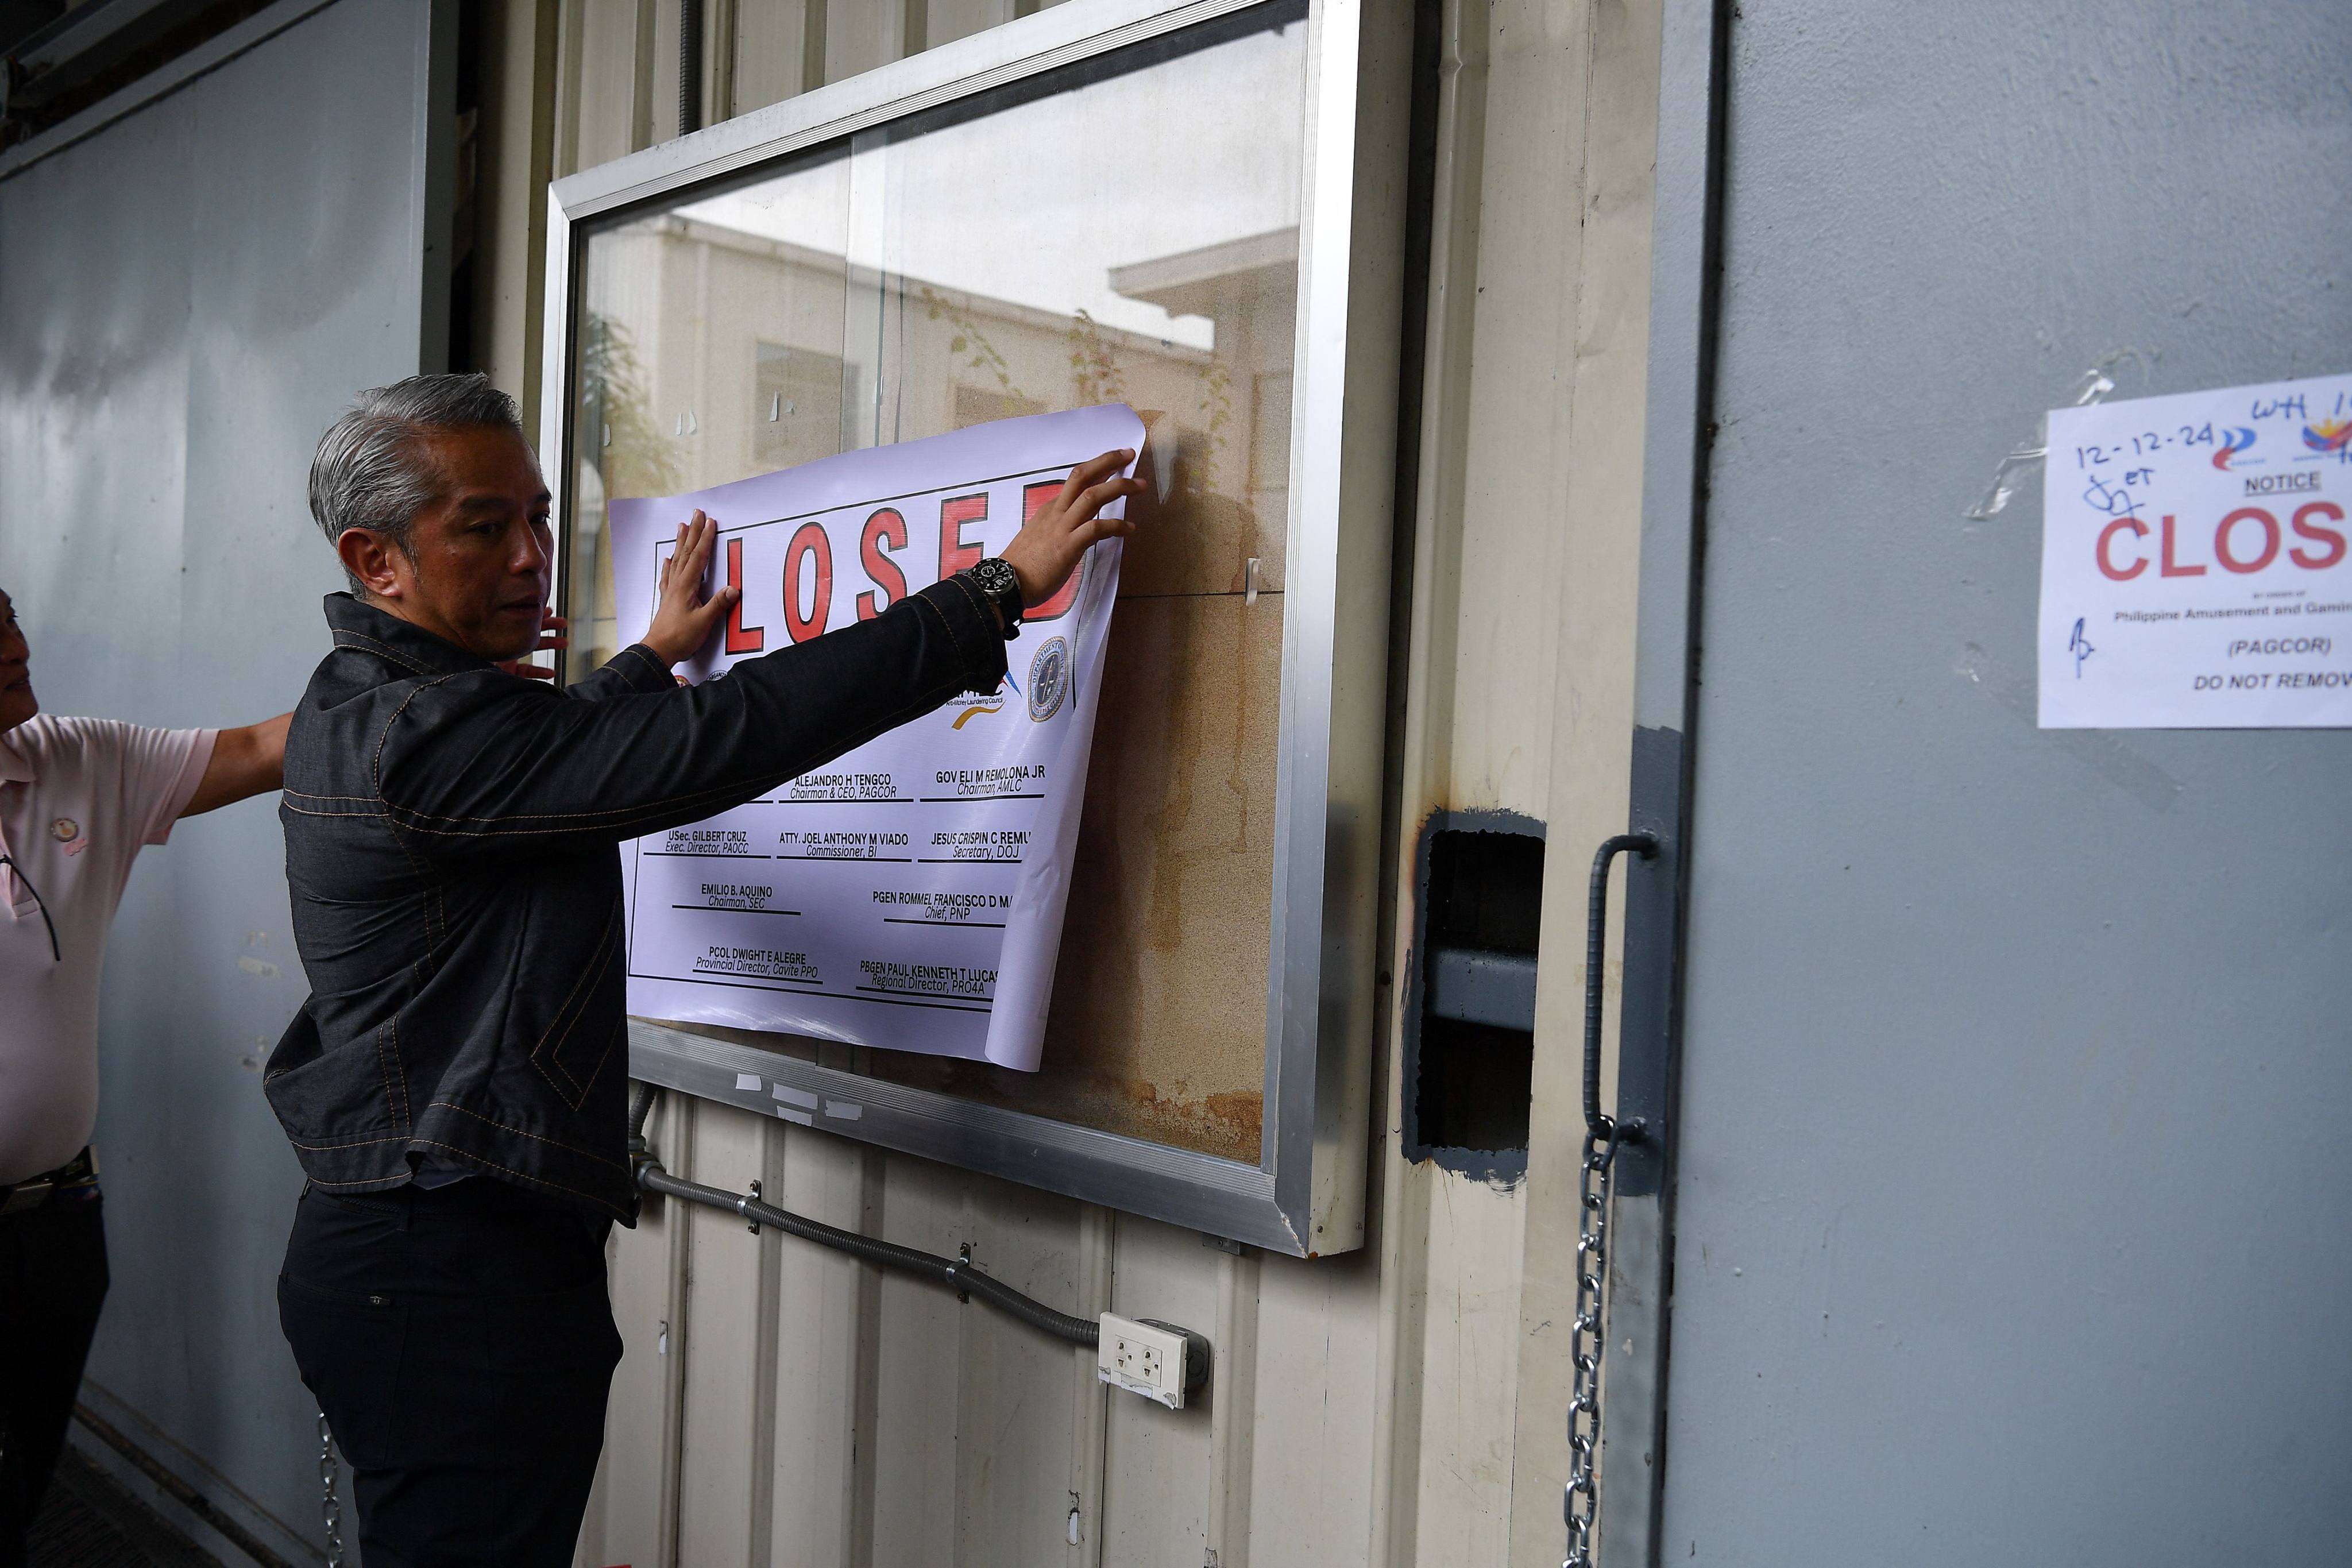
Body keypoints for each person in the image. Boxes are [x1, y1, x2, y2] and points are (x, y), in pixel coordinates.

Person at [267, 372, 1138, 1566]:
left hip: (431, 1254)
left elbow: (556, 756)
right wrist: (989, 592)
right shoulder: (419, 737)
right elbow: (718, 738)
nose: (532, 557)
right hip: (446, 1273)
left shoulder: (381, 703)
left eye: (538, 517)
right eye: (486, 527)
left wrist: (645, 661)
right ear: (377, 562)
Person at [0, 588, 290, 1567]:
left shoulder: (77, 760)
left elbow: (265, 746)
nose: (18, 644)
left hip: (54, 1225)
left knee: (17, 1495)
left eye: (6, 614)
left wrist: (440, 661)